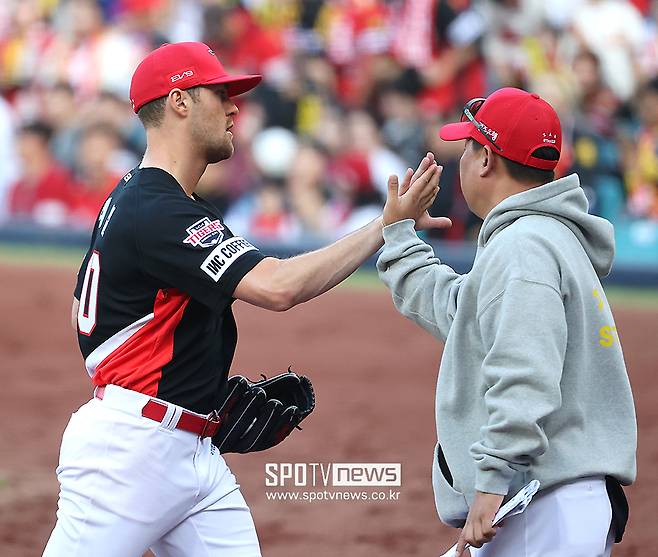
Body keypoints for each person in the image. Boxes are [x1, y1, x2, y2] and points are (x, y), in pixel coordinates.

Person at [42, 41, 447, 557]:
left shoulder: (152, 200)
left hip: (184, 445)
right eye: (221, 93)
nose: (235, 107)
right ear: (181, 102)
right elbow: (277, 287)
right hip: (131, 453)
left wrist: (195, 389)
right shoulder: (156, 209)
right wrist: (384, 226)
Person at [377, 87, 637, 557]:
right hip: (543, 494)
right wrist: (399, 236)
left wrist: (491, 480)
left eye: (468, 147)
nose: (461, 161)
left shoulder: (524, 247)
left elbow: (525, 373)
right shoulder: (540, 238)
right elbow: (460, 313)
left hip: (545, 501)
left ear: (486, 160)